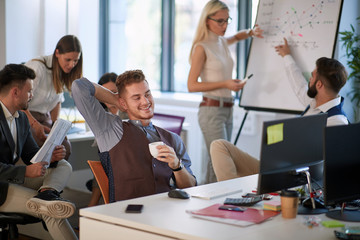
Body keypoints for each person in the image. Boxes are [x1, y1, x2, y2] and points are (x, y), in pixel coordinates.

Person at [210, 37, 349, 182]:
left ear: (319, 85)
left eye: (312, 77)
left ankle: (234, 194)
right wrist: (287, 55)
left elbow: (323, 168)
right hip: (276, 169)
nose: (309, 80)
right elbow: (298, 84)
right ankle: (233, 194)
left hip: (291, 179)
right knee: (219, 145)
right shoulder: (315, 102)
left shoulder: (336, 121)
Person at [72, 70, 196, 202]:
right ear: (123, 103)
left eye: (147, 94)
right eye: (137, 98)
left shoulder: (172, 139)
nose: (145, 101)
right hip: (128, 214)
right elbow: (79, 86)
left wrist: (177, 165)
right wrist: (115, 99)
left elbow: (191, 187)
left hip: (167, 211)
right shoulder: (110, 129)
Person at [187, 0, 264, 184]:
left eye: (227, 20)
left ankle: (211, 204)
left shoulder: (221, 41)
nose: (225, 25)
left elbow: (236, 37)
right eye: (219, 21)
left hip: (227, 109)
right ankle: (215, 206)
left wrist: (250, 32)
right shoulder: (201, 47)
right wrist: (226, 84)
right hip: (211, 110)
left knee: (219, 160)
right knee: (219, 163)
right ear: (207, 20)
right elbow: (191, 85)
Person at [0, 64, 77, 240]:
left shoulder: (21, 120)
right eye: (29, 91)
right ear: (15, 92)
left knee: (64, 165)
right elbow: (27, 168)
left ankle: (47, 193)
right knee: (51, 211)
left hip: (12, 180)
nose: (32, 96)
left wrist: (51, 157)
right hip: (1, 189)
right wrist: (26, 171)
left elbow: (32, 157)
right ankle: (46, 201)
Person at [23, 35, 83, 160]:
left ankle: (52, 176)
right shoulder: (37, 67)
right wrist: (34, 124)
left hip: (45, 118)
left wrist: (57, 129)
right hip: (26, 116)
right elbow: (19, 103)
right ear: (57, 53)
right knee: (41, 145)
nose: (72, 65)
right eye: (68, 60)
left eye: (75, 60)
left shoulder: (62, 72)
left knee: (65, 147)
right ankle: (40, 176)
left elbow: (57, 102)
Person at [86, 72, 128, 207]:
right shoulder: (100, 112)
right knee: (102, 161)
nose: (110, 97)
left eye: (115, 92)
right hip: (110, 156)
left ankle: (91, 207)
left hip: (126, 156)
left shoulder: (127, 112)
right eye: (106, 93)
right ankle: (93, 207)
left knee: (103, 162)